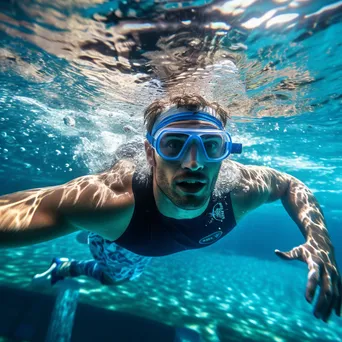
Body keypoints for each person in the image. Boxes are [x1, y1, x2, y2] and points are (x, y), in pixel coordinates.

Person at [0, 94, 340, 323]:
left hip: (148, 238)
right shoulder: (111, 201)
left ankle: (75, 253)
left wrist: (320, 242)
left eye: (211, 146)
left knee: (119, 274)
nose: (193, 163)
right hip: (124, 238)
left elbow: (292, 184)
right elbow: (22, 208)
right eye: (174, 145)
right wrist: (89, 218)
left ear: (225, 152)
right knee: (115, 275)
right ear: (150, 154)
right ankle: (72, 260)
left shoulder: (240, 190)